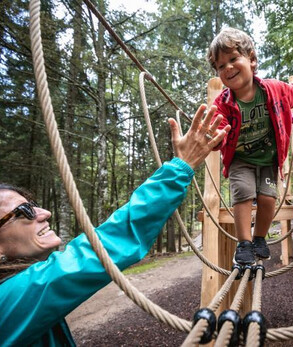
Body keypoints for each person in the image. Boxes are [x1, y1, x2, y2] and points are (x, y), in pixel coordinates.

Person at [0, 104, 230, 346]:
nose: (44, 213)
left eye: (34, 204)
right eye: (24, 211)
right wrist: (180, 167)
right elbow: (108, 243)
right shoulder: (8, 302)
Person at [206, 27, 293, 264]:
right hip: (241, 160)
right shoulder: (222, 104)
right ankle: (244, 243)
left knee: (268, 198)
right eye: (221, 66)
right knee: (242, 194)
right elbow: (215, 137)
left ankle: (259, 238)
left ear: (251, 60)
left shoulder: (275, 90)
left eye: (233, 59)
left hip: (269, 160)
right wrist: (213, 137)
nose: (228, 67)